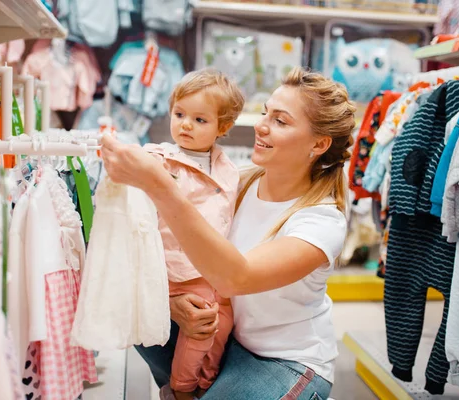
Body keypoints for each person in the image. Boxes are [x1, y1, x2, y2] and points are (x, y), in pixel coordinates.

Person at [101, 66, 355, 400]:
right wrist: (174, 302)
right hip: (226, 337)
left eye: (280, 121)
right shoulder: (236, 182)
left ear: (319, 143)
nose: (261, 125)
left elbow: (236, 278)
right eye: (265, 113)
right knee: (139, 318)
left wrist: (161, 185)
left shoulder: (321, 221)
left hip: (284, 361)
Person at [142, 68, 245, 400]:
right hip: (175, 265)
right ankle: (181, 388)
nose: (185, 124)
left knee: (223, 325)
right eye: (180, 114)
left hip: (213, 268)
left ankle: (206, 379)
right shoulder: (160, 160)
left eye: (200, 120)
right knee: (201, 327)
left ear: (222, 128)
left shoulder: (229, 170)